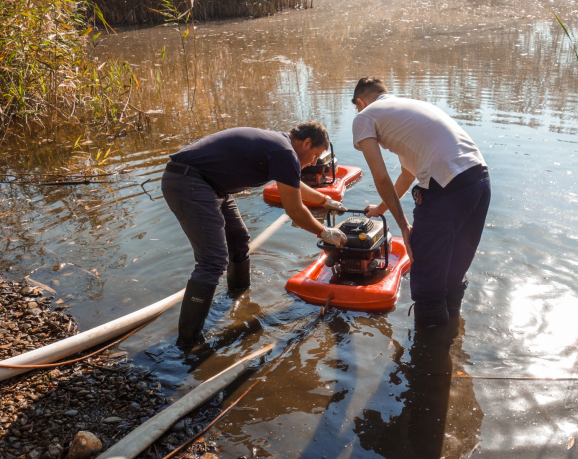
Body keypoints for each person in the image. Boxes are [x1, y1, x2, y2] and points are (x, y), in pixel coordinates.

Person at [162, 122, 347, 345]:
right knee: (212, 260)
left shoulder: (280, 147)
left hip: (210, 185)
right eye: (316, 154)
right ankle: (188, 341)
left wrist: (325, 200)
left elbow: (293, 185)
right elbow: (295, 210)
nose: (315, 162)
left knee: (239, 241)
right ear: (306, 143)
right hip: (190, 181)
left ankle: (238, 295)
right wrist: (324, 232)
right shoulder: (285, 152)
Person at [351, 78, 491, 327]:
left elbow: (381, 178)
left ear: (360, 102)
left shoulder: (364, 116)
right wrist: (381, 209)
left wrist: (404, 227)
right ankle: (452, 343)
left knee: (427, 283)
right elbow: (408, 174)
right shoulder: (407, 109)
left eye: (357, 107)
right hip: (478, 182)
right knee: (452, 275)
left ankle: (428, 360)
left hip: (446, 189)